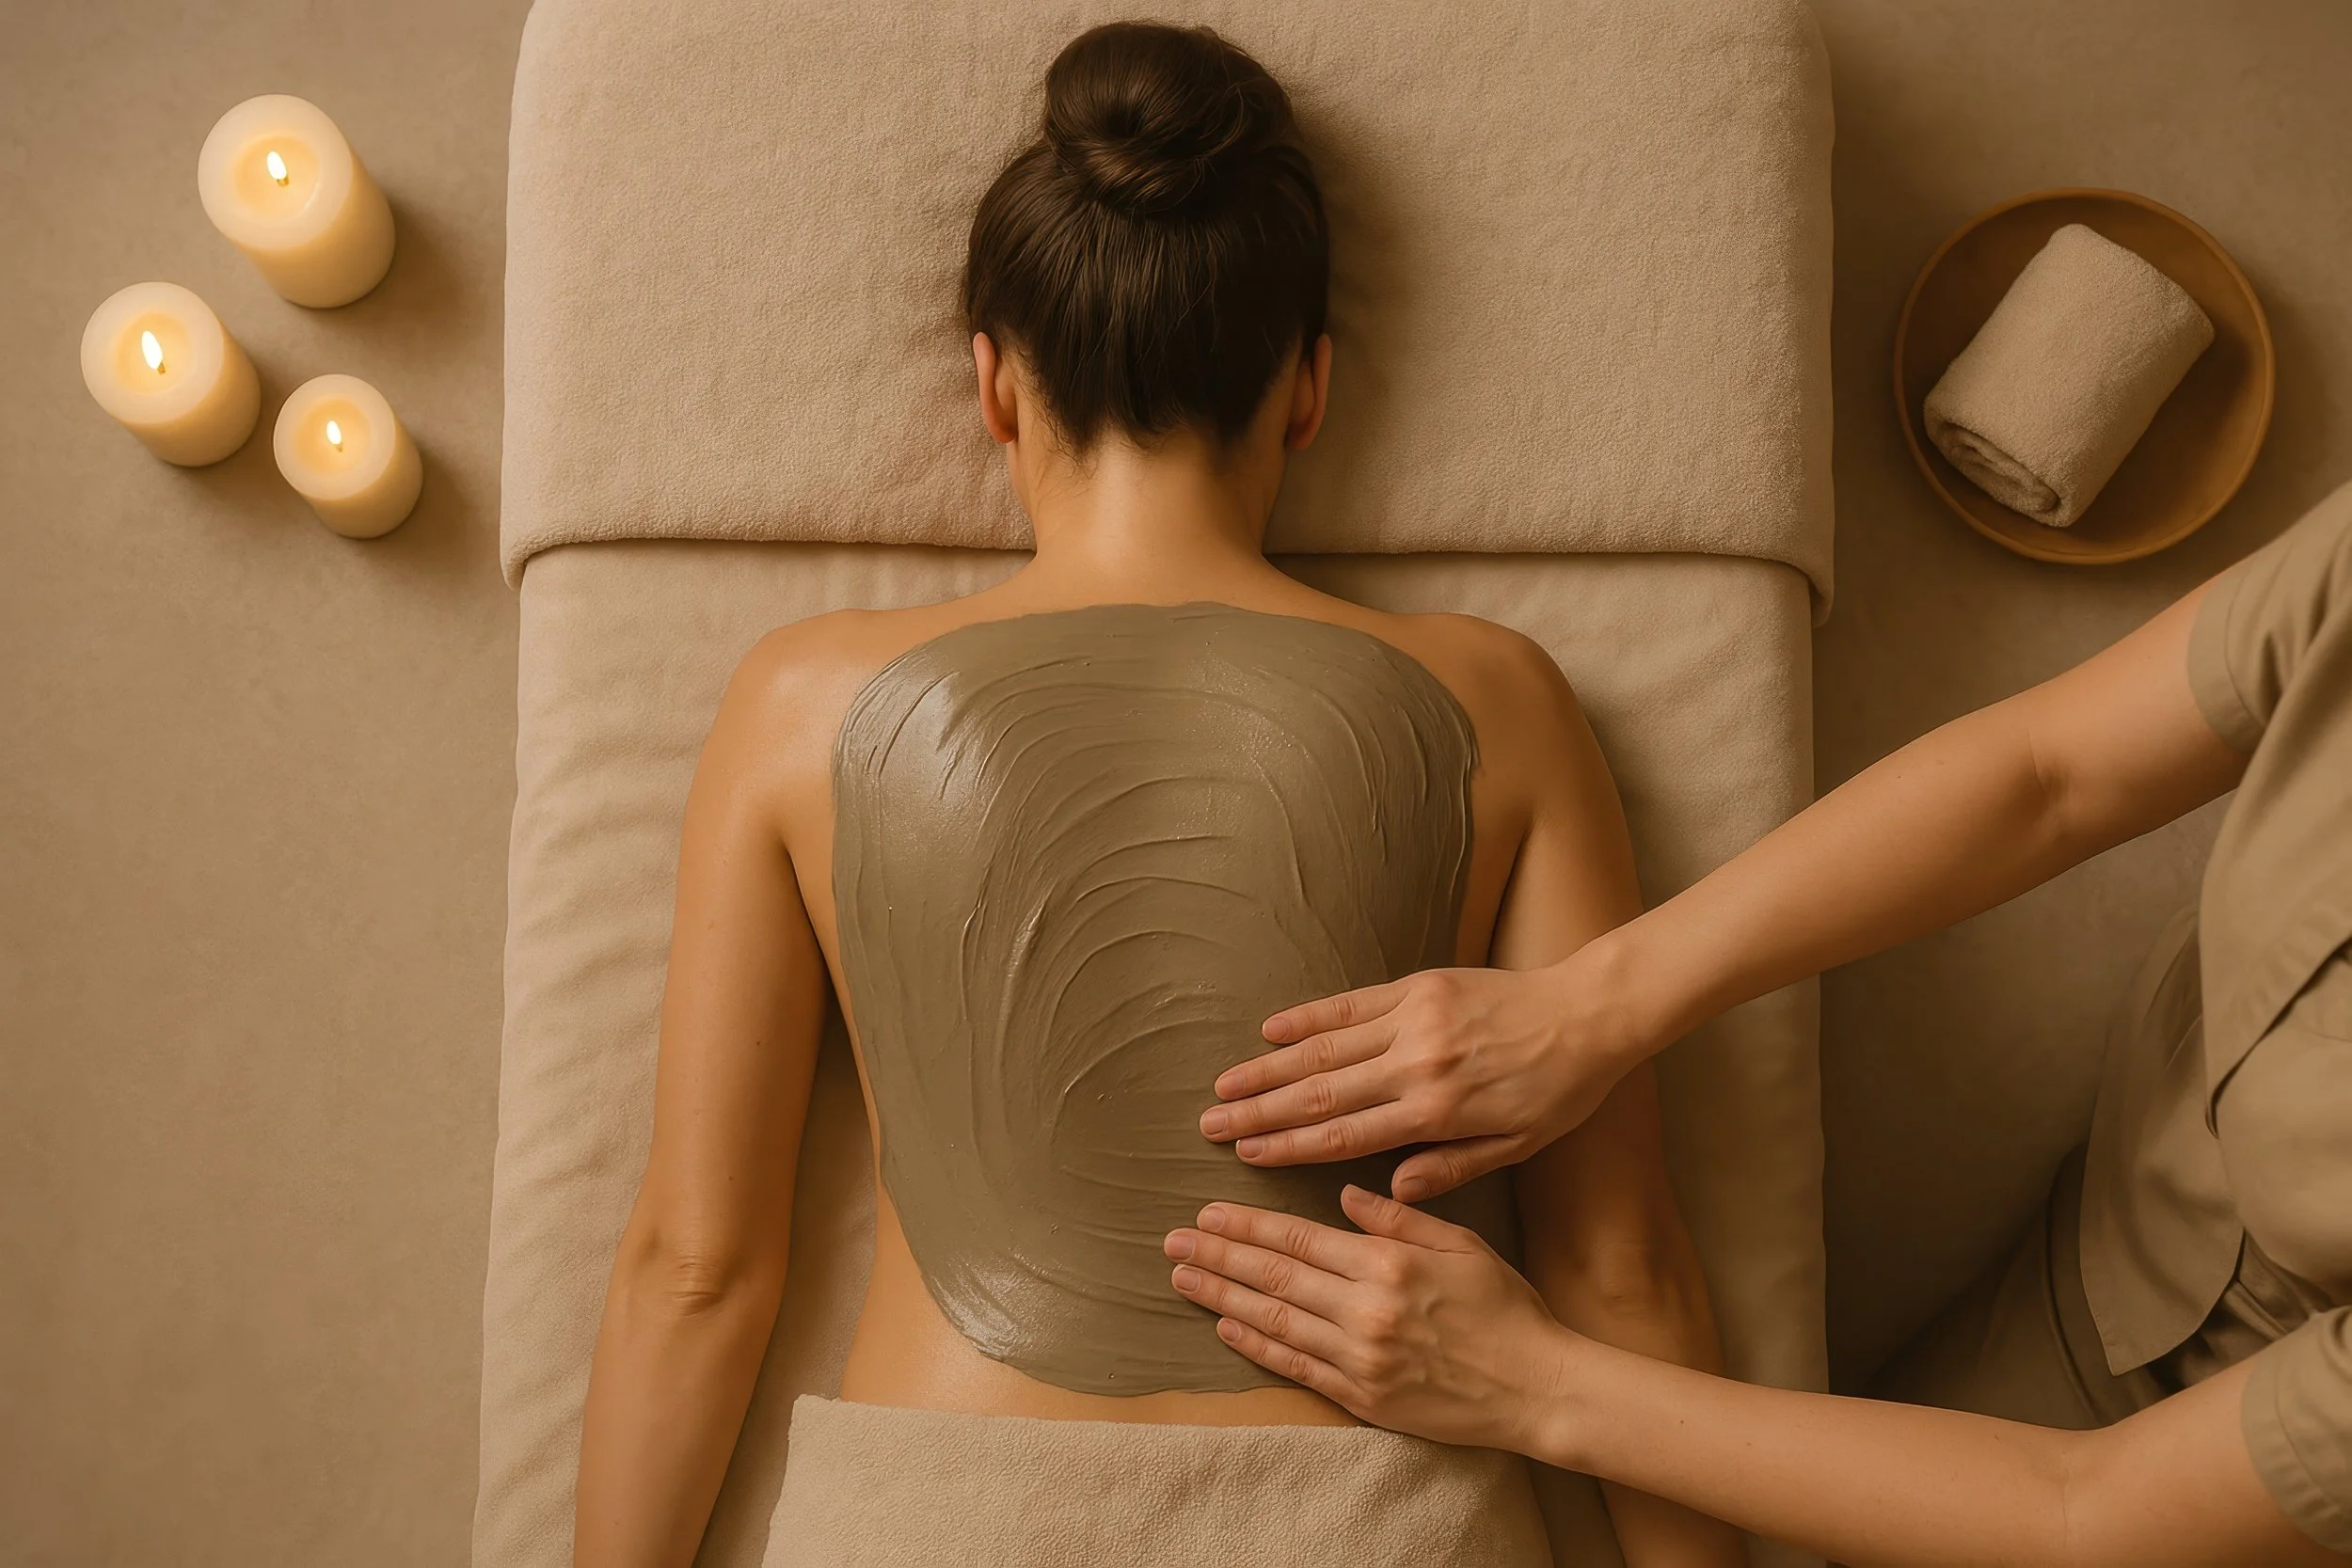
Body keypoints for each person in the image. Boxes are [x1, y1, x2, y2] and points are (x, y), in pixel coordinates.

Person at [572, 21, 1741, 1568]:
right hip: (1377, 1520)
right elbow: (1616, 1261)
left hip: (941, 1520)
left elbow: (698, 1270)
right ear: (1310, 388)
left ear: (991, 384)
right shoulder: (1497, 700)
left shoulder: (803, 703)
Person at [1167, 482, 2352, 1565]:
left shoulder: (1496, 692)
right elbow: (2049, 773)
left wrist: (1528, 1383)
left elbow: (2080, 1509)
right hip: (2129, 1239)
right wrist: (1590, 1003)